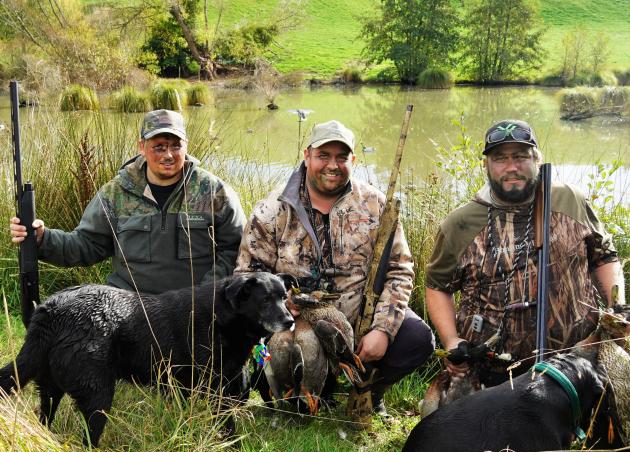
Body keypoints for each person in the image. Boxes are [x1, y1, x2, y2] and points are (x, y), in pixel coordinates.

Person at [236, 120, 435, 414]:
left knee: (417, 339)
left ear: (353, 160)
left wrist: (382, 329)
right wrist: (276, 305)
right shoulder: (273, 208)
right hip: (295, 324)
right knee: (283, 367)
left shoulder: (376, 205)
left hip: (356, 320)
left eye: (341, 157)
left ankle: (368, 389)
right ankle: (298, 395)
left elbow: (400, 270)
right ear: (307, 156)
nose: (333, 165)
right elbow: (246, 278)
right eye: (323, 156)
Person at [425, 119, 624, 384]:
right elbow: (437, 285)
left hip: (578, 360)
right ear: (486, 164)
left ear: (537, 159)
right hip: (492, 368)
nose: (511, 168)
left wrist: (616, 308)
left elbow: (604, 257)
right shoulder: (460, 223)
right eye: (500, 158)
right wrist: (451, 339)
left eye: (521, 156)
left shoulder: (569, 200)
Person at [10, 109, 246, 293]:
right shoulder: (116, 193)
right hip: (129, 309)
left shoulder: (214, 191)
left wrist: (208, 294)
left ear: (186, 146)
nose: (168, 155)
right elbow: (85, 246)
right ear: (141, 147)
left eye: (176, 146)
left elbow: (237, 250)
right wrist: (42, 238)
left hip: (195, 309)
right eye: (159, 147)